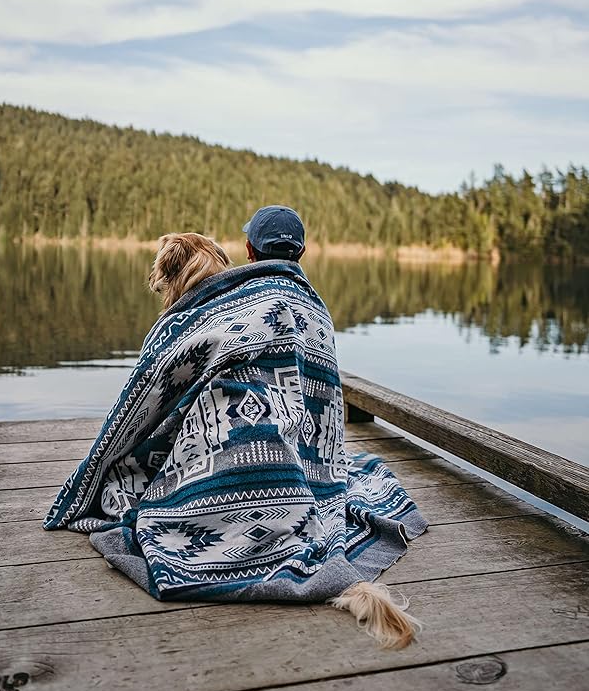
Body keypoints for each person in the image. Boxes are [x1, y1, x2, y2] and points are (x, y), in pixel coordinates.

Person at [44, 214, 427, 648]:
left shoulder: (225, 308)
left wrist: (103, 464)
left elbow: (149, 394)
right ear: (301, 252)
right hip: (299, 459)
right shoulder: (315, 311)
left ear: (248, 251)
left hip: (223, 456)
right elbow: (323, 407)